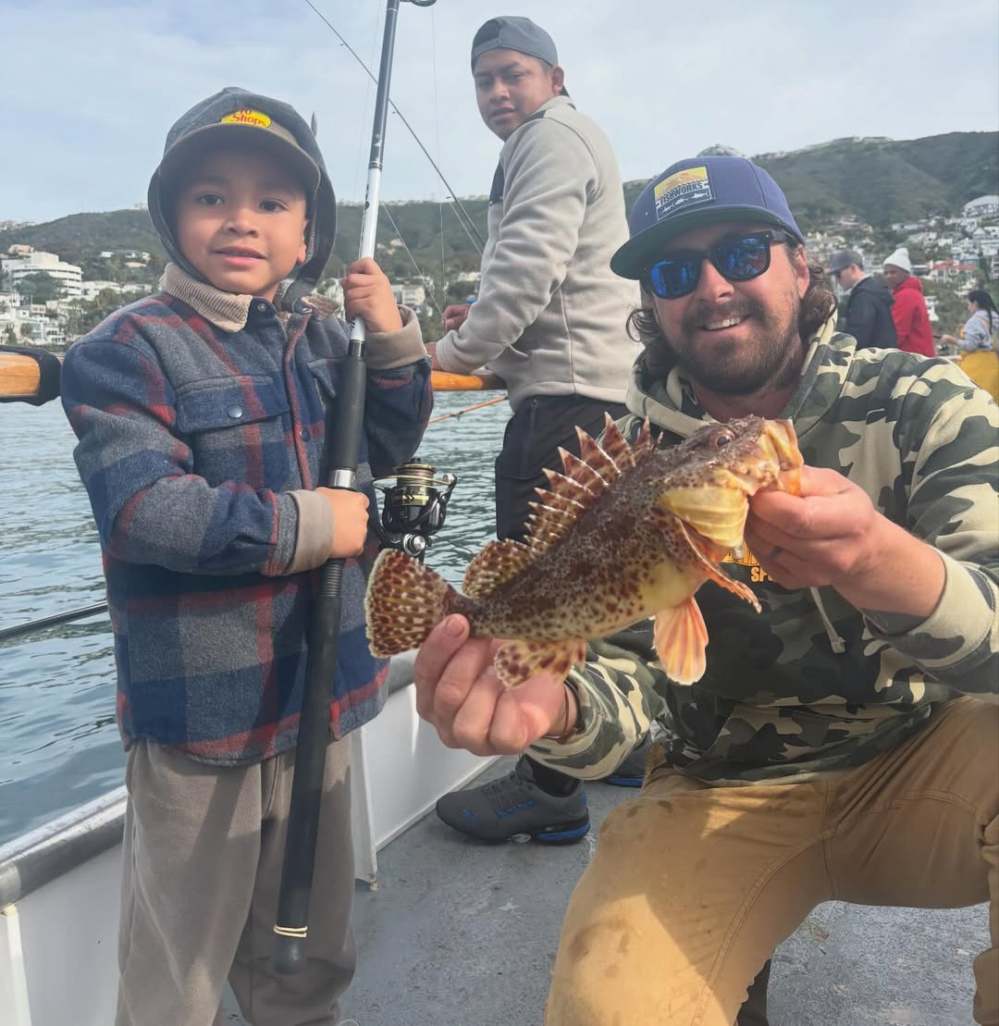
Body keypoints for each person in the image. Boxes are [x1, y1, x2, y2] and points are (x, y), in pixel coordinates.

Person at [411, 155, 998, 1026]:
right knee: (609, 1006)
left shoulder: (924, 403)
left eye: (743, 253)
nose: (713, 287)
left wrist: (879, 559)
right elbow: (628, 685)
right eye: (675, 272)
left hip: (919, 760)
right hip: (714, 785)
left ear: (799, 267)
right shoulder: (625, 459)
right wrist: (558, 713)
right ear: (651, 304)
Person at [60, 87, 431, 1026]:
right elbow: (145, 511)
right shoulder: (125, 347)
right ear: (170, 217)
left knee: (308, 953)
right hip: (202, 720)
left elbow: (388, 438)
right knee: (175, 977)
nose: (240, 219)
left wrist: (391, 337)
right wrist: (311, 525)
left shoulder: (327, 340)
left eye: (271, 201)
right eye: (210, 196)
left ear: (307, 237)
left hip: (323, 698)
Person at [429, 16, 647, 844]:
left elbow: (528, 268)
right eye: (483, 80)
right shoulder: (572, 136)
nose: (496, 93)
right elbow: (551, 277)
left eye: (512, 74)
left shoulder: (547, 137)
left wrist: (449, 354)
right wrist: (488, 329)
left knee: (537, 594)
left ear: (554, 79)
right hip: (602, 398)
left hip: (563, 406)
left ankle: (548, 785)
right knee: (599, 585)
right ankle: (618, 746)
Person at [827, 248, 897, 349]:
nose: (837, 280)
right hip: (883, 354)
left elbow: (857, 337)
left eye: (838, 274)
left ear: (853, 268)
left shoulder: (864, 295)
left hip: (872, 356)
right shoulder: (874, 288)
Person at [940, 287, 999, 401]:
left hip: (977, 365)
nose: (968, 307)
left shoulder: (975, 321)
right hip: (994, 362)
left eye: (969, 304)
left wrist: (951, 339)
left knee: (975, 401)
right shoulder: (996, 318)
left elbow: (970, 346)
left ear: (975, 303)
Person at [882, 246, 936, 356]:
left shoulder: (905, 296)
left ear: (905, 273)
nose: (888, 276)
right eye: (886, 273)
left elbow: (897, 332)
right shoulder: (913, 293)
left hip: (912, 358)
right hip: (920, 356)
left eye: (893, 272)